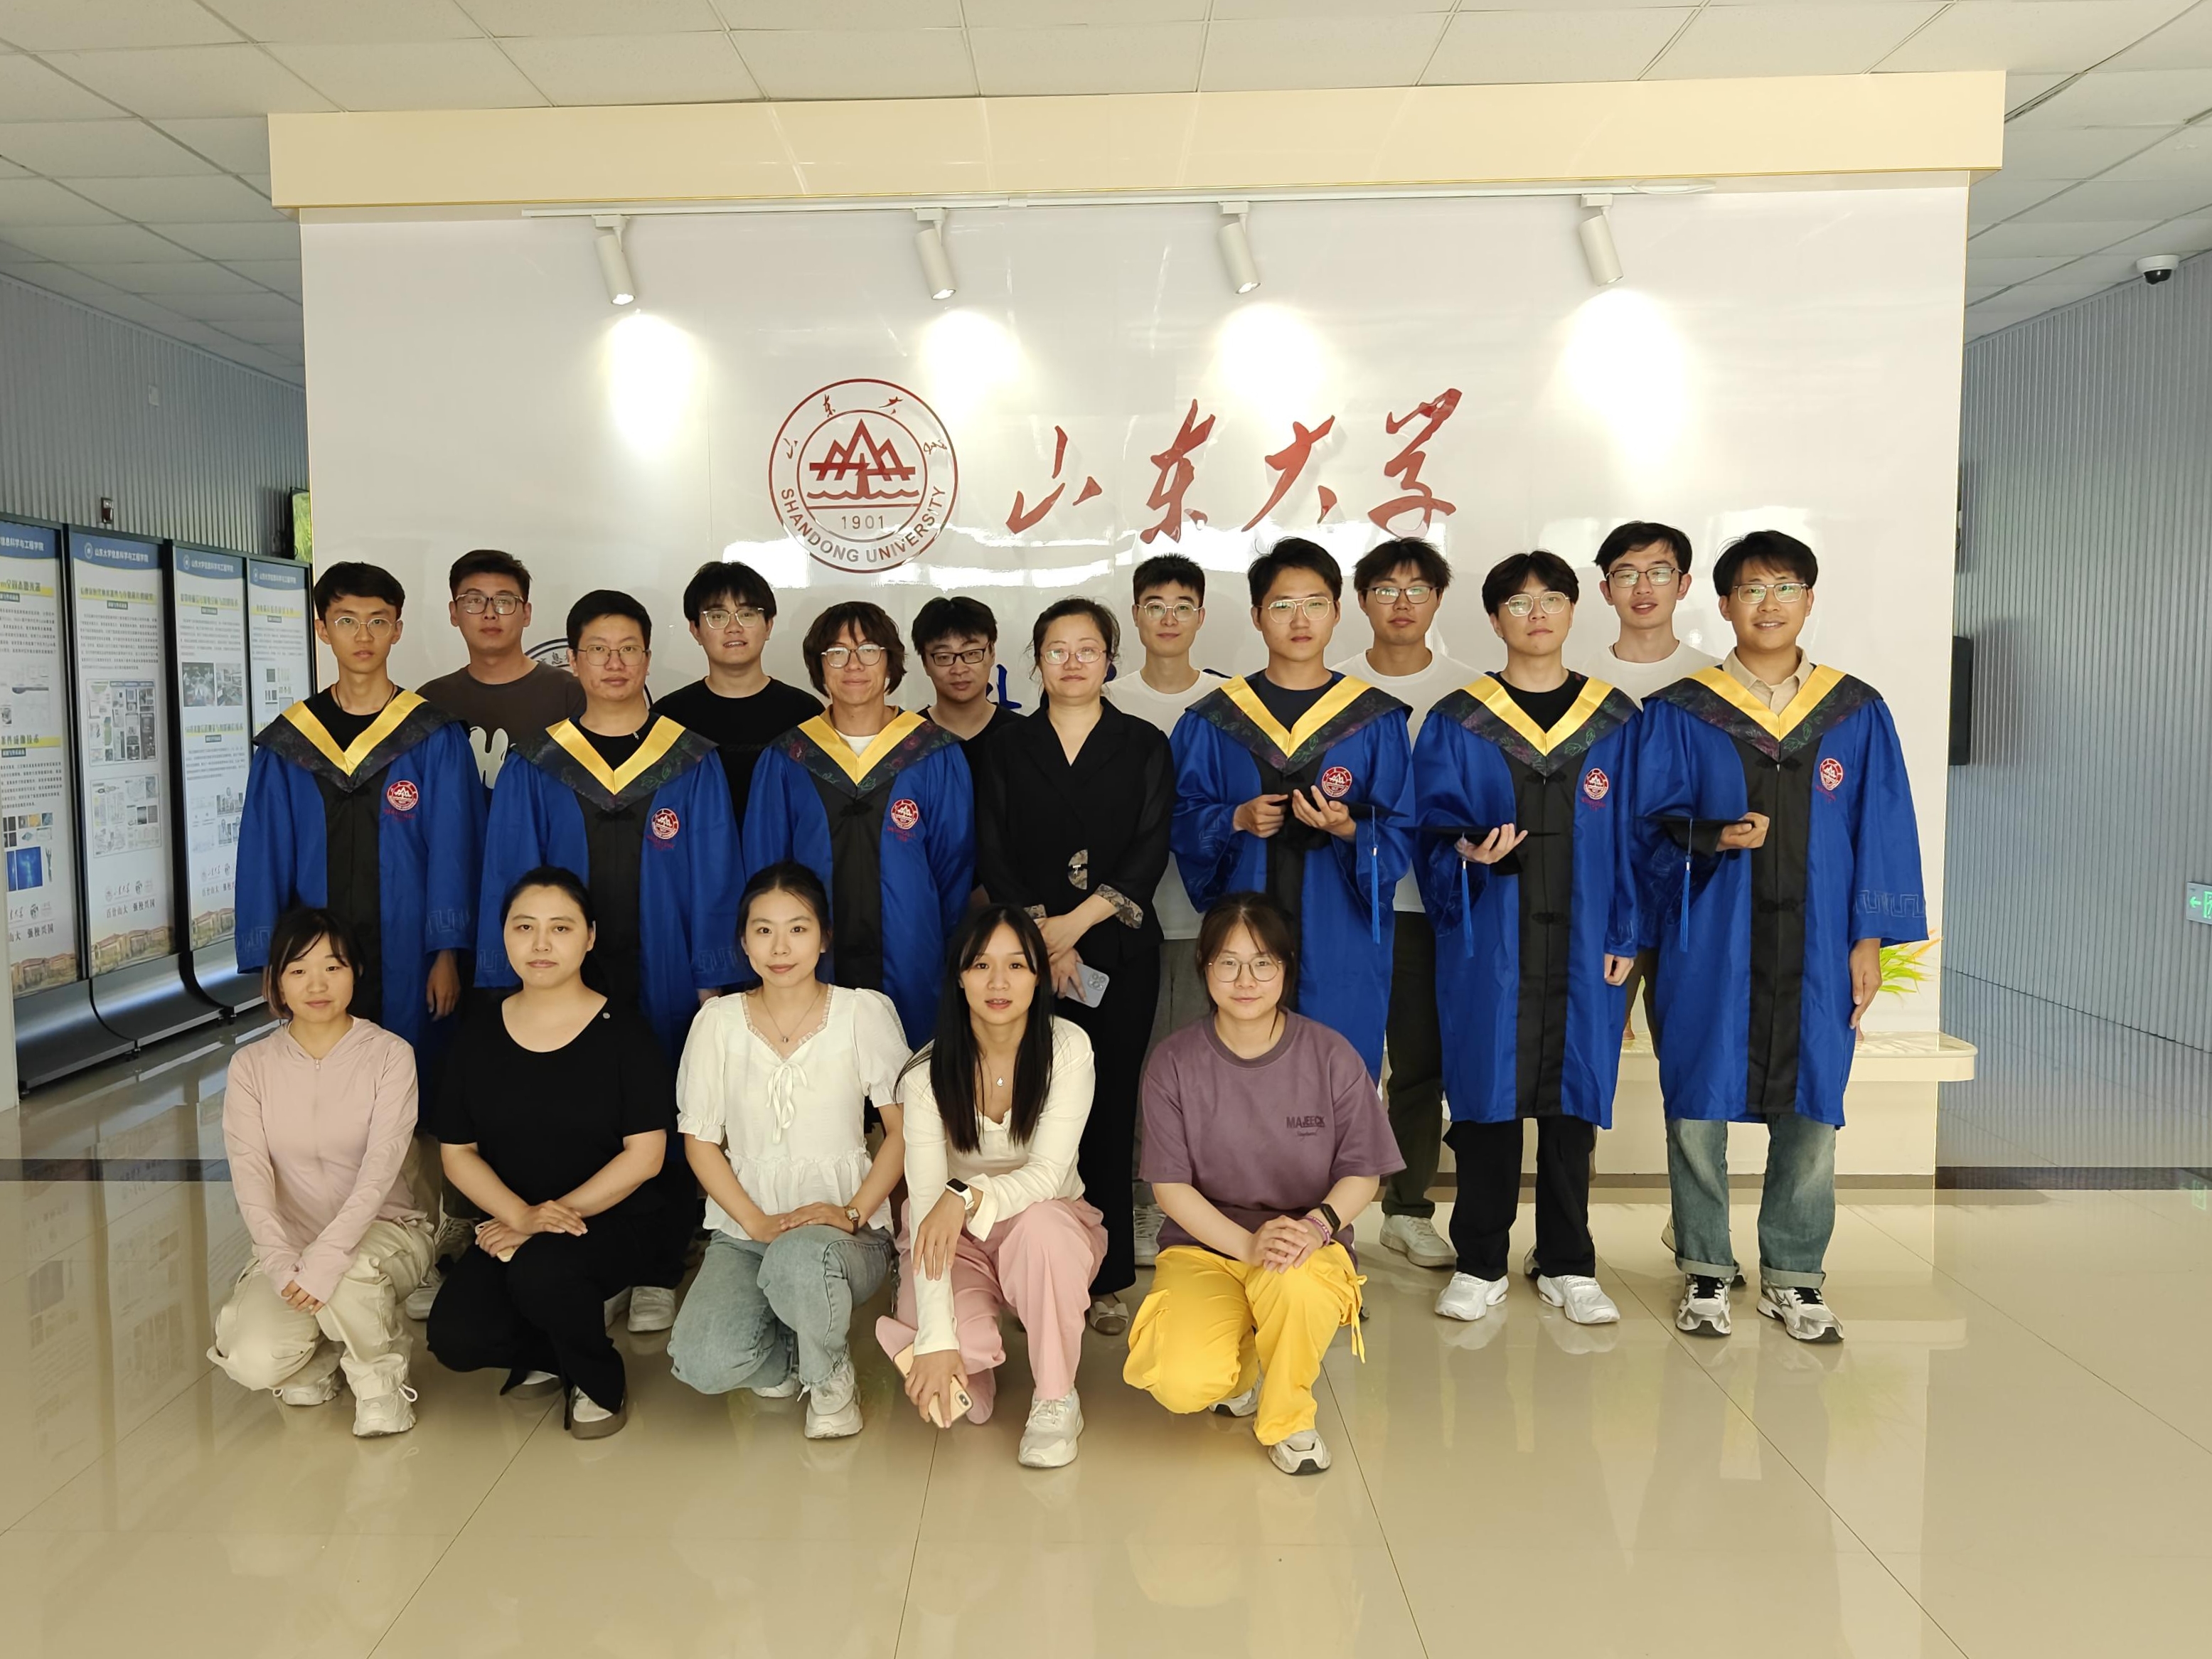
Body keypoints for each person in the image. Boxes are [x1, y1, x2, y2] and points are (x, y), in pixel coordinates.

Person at [1633, 530, 1926, 1345]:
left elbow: (1883, 829)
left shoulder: (1855, 711)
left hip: (1821, 943)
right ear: (1724, 604)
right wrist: (1713, 836)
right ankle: (1704, 1263)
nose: (1770, 604)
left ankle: (1794, 1273)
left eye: (1786, 587)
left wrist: (1868, 940)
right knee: (1696, 1099)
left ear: (1809, 599)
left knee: (1813, 1103)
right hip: (1709, 939)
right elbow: (1645, 827)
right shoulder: (1680, 711)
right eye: (1753, 589)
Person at [1414, 551, 1640, 1328]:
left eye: (1551, 599)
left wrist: (1627, 930)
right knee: (1486, 1095)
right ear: (1494, 618)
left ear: (1575, 609)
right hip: (1491, 940)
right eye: (1518, 602)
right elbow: (1428, 826)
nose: (1536, 614)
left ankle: (1567, 1259)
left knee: (1573, 1102)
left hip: (1587, 940)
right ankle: (1479, 1258)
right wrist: (1464, 851)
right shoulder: (1457, 719)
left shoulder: (1617, 720)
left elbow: (1637, 838)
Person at [1123, 893, 1401, 1477]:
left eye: (1262, 963)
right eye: (1227, 962)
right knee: (1181, 1382)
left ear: (1286, 968)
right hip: (1205, 1246)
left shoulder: (1330, 1055)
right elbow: (1170, 1188)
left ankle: (1289, 1419)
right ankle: (1242, 1364)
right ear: (1203, 967)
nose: (1245, 979)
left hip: (1304, 1239)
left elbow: (1362, 1170)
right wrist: (1246, 1244)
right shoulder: (1174, 1063)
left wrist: (1316, 1226)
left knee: (1292, 1284)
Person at [429, 868, 699, 1437]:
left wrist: (547, 1218)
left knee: (543, 1270)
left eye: (560, 927)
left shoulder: (625, 1032)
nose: (541, 943)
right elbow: (458, 1153)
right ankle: (556, 1341)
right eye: (524, 926)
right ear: (504, 934)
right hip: (513, 1219)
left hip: (618, 1218)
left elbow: (646, 1156)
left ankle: (598, 1378)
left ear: (590, 936)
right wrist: (521, 1216)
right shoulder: (477, 1035)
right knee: (455, 1336)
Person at [975, 597, 1172, 1335]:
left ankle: (1107, 1274)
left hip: (1117, 950)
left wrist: (1074, 927)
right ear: (1036, 661)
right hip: (1021, 962)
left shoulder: (1143, 742)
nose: (1072, 662)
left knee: (1110, 1107)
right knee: (1026, 1107)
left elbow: (1151, 846)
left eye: (1087, 649)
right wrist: (1043, 940)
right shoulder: (1006, 746)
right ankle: (1027, 1267)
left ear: (1109, 659)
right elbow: (992, 848)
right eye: (1056, 650)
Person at [667, 863, 907, 1439]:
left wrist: (851, 1211)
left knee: (800, 1260)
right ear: (744, 941)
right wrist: (755, 1222)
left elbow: (904, 1132)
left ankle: (830, 1378)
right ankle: (794, 1353)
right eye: (764, 930)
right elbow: (700, 1142)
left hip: (844, 1232)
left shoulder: (861, 1012)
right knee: (702, 1360)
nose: (780, 948)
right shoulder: (716, 1023)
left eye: (798, 929)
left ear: (823, 938)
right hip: (746, 1229)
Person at [1169, 538, 1413, 1076]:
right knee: (1243, 1078)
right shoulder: (1215, 720)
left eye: (1315, 603)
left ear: (1337, 612)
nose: (1299, 620)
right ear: (1257, 616)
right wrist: (1235, 818)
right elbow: (1180, 818)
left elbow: (1401, 829)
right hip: (1243, 938)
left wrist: (1348, 828)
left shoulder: (1374, 720)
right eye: (1282, 605)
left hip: (1340, 934)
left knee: (1336, 1074)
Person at [875, 906, 1104, 1470]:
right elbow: (927, 1211)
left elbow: (1048, 1174)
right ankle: (972, 1352)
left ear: (1038, 976)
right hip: (954, 1238)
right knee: (963, 1402)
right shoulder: (926, 1075)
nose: (998, 982)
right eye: (980, 965)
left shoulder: (1068, 1048)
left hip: (1047, 1228)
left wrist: (967, 1194)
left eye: (1016, 965)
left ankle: (1055, 1396)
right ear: (959, 976)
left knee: (1042, 1225)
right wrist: (937, 1340)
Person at [238, 561, 484, 1072]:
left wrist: (446, 954)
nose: (363, 636)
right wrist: (272, 960)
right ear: (322, 629)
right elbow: (265, 857)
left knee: (413, 1074)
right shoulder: (290, 744)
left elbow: (455, 851)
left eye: (378, 621)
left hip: (411, 949)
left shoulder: (433, 736)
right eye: (346, 621)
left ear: (397, 629)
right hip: (314, 954)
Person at [208, 908, 434, 1438]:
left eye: (333, 967)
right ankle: (322, 1356)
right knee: (253, 1358)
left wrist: (327, 1257)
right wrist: (280, 1261)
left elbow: (380, 1170)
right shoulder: (251, 1067)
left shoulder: (390, 1056)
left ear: (356, 972)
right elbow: (250, 1175)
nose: (317, 985)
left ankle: (381, 1384)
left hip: (387, 1233)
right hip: (292, 1243)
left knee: (350, 1273)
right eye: (298, 970)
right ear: (276, 982)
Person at [1327, 537, 1475, 1274]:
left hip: (1430, 909)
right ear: (1361, 602)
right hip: (1347, 903)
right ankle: (1327, 1213)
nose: (1402, 602)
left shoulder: (1472, 692)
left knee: (1421, 1064)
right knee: (1339, 1064)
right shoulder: (1333, 689)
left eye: (1418, 589)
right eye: (1385, 588)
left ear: (1439, 599)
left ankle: (1409, 1209)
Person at [743, 601, 974, 1046]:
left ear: (890, 662)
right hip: (812, 957)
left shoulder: (934, 753)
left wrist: (933, 939)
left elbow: (953, 868)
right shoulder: (788, 758)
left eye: (869, 650)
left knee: (908, 1066)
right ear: (819, 667)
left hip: (911, 950)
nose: (853, 665)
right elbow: (766, 868)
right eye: (836, 653)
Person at [1104, 553, 1229, 1267]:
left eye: (1183, 605)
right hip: (1126, 922)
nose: (1169, 619)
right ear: (1135, 615)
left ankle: (1201, 1199)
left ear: (1202, 616)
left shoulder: (1232, 702)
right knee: (1136, 1066)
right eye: (1155, 605)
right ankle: (1143, 1197)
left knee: (1205, 1070)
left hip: (1210, 920)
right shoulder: (1105, 698)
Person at [652, 559, 821, 828]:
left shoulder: (805, 713)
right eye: (717, 616)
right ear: (695, 630)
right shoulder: (668, 718)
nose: (734, 627)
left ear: (768, 625)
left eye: (747, 614)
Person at [417, 548, 587, 791]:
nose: (490, 614)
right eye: (474, 601)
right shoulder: (431, 700)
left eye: (504, 601)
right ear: (454, 613)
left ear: (526, 613)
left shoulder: (570, 694)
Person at [1565, 521, 1719, 704]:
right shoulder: (1581, 683)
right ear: (1607, 592)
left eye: (1659, 573)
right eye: (1627, 575)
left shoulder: (1717, 680)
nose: (1643, 588)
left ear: (1683, 586)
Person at [912, 594, 1022, 746]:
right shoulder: (907, 742)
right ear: (925, 663)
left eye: (971, 653)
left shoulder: (1024, 737)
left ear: (992, 653)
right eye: (944, 657)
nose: (959, 670)